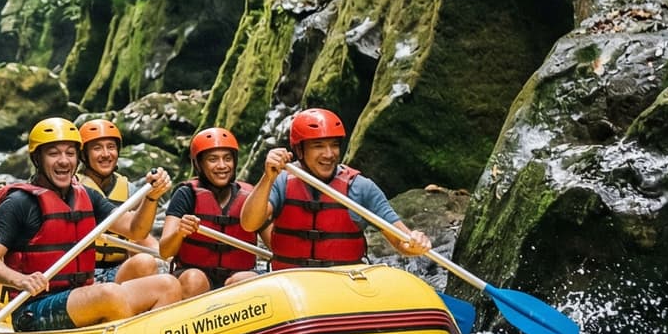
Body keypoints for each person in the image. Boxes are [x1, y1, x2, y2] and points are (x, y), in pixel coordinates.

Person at [0, 117, 185, 333]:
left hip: (83, 296)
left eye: (70, 152)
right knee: (108, 294)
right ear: (37, 158)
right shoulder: (18, 203)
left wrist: (152, 198)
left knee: (167, 285)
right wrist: (20, 280)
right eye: (54, 153)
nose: (64, 161)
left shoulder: (87, 196)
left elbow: (135, 229)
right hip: (34, 309)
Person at [240, 108, 431, 264]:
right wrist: (267, 178)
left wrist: (415, 243)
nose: (329, 154)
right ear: (299, 149)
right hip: (292, 282)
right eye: (318, 146)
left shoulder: (361, 188)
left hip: (342, 283)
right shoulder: (281, 181)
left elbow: (401, 241)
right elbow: (249, 224)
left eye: (334, 145)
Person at [158, 127, 266, 294]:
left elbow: (275, 245)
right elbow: (165, 251)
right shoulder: (186, 194)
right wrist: (179, 232)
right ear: (199, 164)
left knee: (246, 280)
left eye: (227, 158)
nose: (222, 166)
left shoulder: (250, 197)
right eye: (213, 159)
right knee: (194, 279)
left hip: (236, 275)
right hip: (194, 276)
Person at [77, 118, 167, 283]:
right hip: (83, 273)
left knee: (151, 264)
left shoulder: (129, 190)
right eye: (97, 148)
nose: (106, 154)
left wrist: (163, 256)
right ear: (84, 154)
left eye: (111, 147)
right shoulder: (72, 189)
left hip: (119, 268)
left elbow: (139, 234)